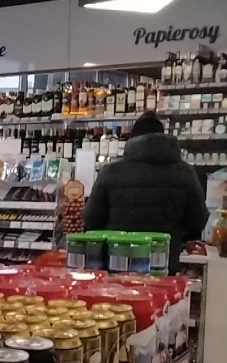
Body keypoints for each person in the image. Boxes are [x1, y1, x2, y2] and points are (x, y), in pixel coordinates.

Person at [83, 111, 209, 272]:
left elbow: (91, 220)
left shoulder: (110, 172)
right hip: (163, 264)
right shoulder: (185, 172)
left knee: (118, 289)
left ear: (132, 140)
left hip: (118, 262)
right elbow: (198, 221)